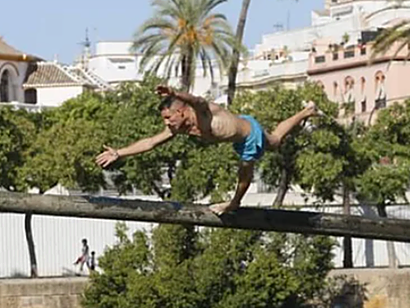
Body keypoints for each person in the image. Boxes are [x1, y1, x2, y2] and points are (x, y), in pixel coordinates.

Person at [95, 85, 318, 214]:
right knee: (276, 140)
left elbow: (198, 100)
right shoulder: (178, 128)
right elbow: (150, 142)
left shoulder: (203, 113)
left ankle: (234, 203)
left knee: (245, 171)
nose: (166, 123)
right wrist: (119, 152)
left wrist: (175, 92)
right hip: (243, 125)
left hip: (248, 137)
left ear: (181, 112)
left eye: (168, 117)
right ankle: (307, 111)